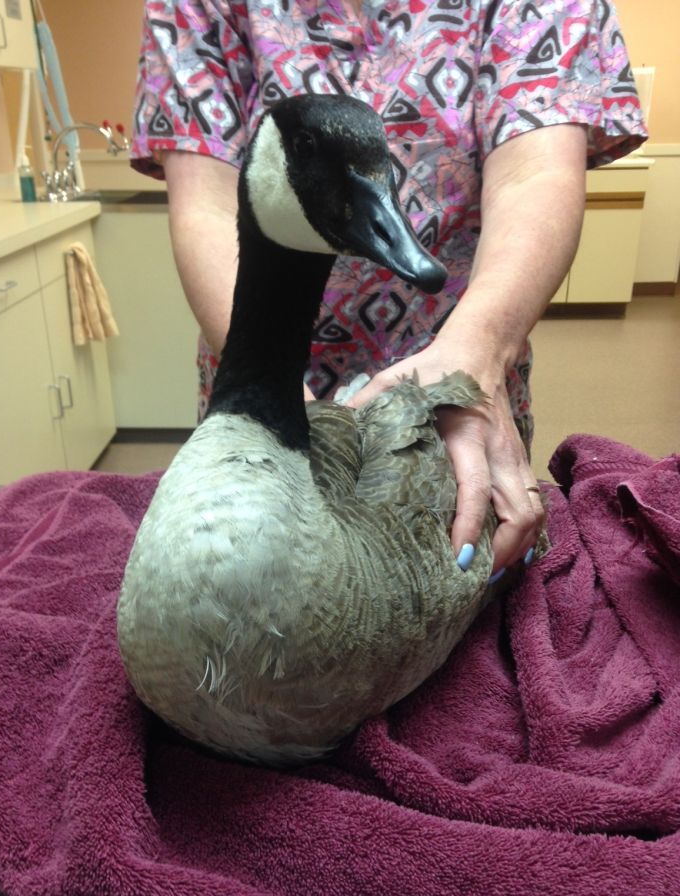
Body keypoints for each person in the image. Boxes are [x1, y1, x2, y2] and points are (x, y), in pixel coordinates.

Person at [130, 0, 646, 579]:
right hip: (268, 395)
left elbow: (537, 172)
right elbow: (204, 200)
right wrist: (272, 396)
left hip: (453, 399)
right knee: (238, 577)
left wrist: (476, 357)